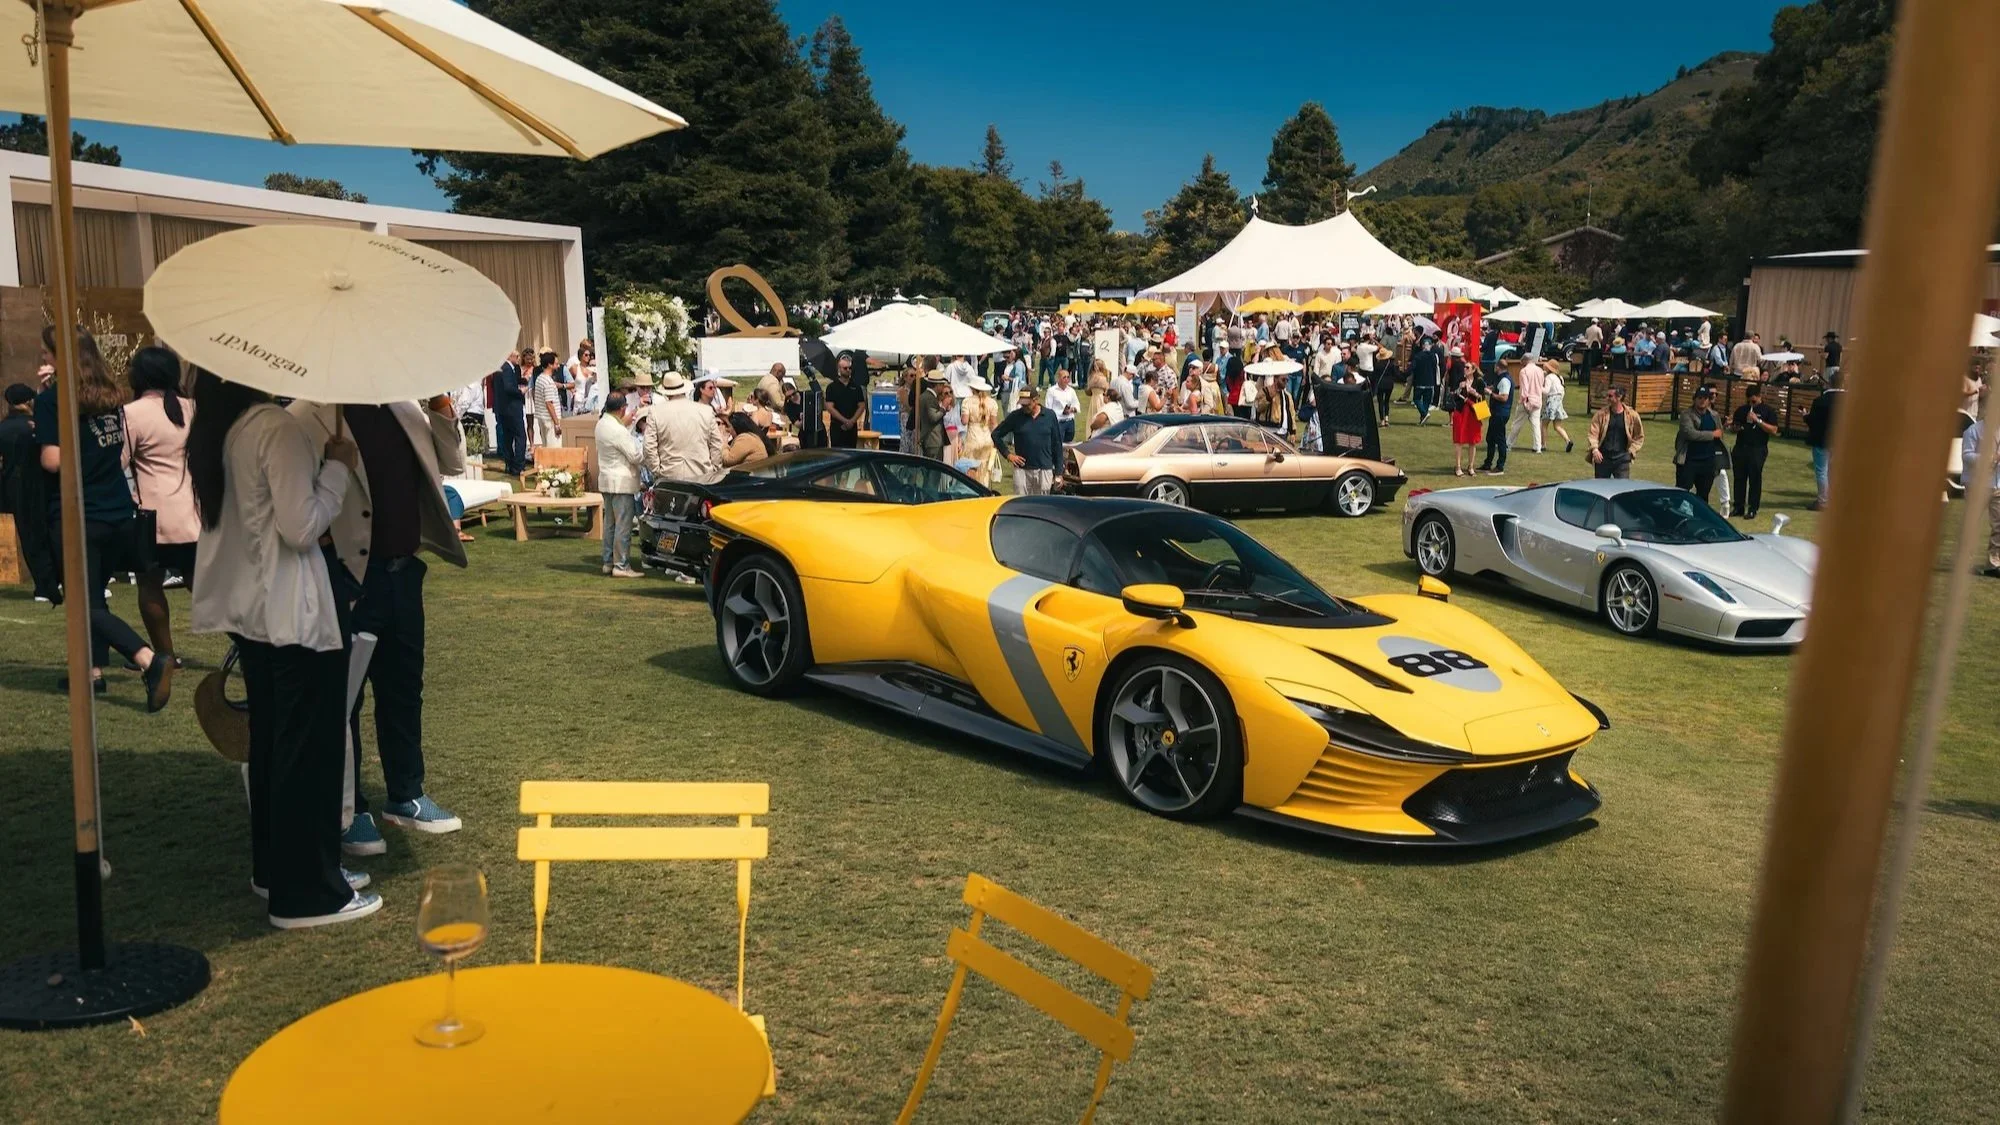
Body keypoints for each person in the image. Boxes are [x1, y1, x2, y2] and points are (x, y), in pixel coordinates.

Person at [187, 370, 379, 929]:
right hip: (293, 611)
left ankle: (279, 869)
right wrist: (338, 466)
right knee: (307, 749)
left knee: (274, 744)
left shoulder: (221, 429)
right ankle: (307, 892)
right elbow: (303, 526)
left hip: (253, 613)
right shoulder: (274, 427)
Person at [291, 388, 467, 851]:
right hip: (348, 577)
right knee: (344, 697)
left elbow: (452, 464)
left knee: (404, 687)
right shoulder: (308, 414)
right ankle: (349, 808)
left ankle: (406, 792)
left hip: (403, 571)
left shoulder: (406, 406)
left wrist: (442, 408)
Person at [33, 326, 169, 705]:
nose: (42, 358)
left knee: (80, 601)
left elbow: (53, 459)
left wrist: (42, 423)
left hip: (79, 513)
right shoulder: (111, 396)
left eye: (46, 352)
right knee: (94, 594)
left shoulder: (53, 401)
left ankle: (147, 658)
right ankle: (91, 674)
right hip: (117, 511)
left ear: (62, 356)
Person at [123, 346, 200, 678]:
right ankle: (248, 643)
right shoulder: (195, 409)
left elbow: (119, 463)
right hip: (197, 515)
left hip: (152, 518)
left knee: (149, 585)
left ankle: (166, 655)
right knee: (205, 587)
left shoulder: (131, 413)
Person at [1, 381, 59, 602]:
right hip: (45, 482)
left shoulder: (3, 428)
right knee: (52, 530)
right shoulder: (38, 425)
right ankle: (58, 578)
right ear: (28, 401)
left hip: (15, 487)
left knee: (29, 536)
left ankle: (43, 585)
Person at [595, 390, 645, 578]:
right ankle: (621, 565)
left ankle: (608, 562)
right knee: (623, 525)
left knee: (610, 524)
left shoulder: (602, 423)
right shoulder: (617, 430)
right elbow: (635, 455)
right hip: (621, 481)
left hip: (608, 479)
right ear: (623, 409)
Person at [993, 387, 1065, 496]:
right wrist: (1008, 455)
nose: (1024, 407)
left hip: (1044, 469)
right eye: (1022, 404)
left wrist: (1059, 473)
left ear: (1036, 400)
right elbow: (996, 434)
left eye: (1027, 404)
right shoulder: (1016, 416)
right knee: (1021, 505)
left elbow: (1057, 445)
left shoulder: (1050, 416)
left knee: (1042, 506)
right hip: (1022, 470)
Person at [1730, 382, 1779, 519]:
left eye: (1753, 400)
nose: (1751, 403)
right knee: (1739, 478)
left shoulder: (1768, 411)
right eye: (1748, 401)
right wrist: (1735, 427)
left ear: (1759, 396)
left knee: (1755, 478)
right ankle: (1738, 506)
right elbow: (1735, 428)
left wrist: (1758, 421)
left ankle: (1753, 508)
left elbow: (1774, 430)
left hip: (1757, 448)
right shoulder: (1742, 410)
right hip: (1741, 447)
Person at [1673, 386, 1727, 503]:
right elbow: (1690, 434)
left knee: (1703, 495)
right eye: (1700, 398)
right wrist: (1712, 435)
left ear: (1709, 400)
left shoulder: (1714, 415)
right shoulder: (1686, 414)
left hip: (1708, 462)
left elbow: (1720, 433)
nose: (1702, 400)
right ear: (1694, 399)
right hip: (1689, 460)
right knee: (1682, 492)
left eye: (1705, 398)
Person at [1963, 410, 2000, 578]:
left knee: (1998, 526)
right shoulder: (1973, 431)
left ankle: (1994, 563)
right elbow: (1967, 456)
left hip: (1998, 486)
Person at [1804, 368, 1843, 510]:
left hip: (1822, 440)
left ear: (1830, 383)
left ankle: (1823, 501)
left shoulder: (1820, 401)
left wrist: (1805, 416)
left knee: (1822, 471)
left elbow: (1813, 421)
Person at [1588, 385, 1645, 479]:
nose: (1607, 398)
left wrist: (1631, 452)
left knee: (1622, 489)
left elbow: (1639, 437)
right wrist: (1595, 449)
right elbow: (1593, 434)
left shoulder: (1632, 415)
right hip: (1603, 458)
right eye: (1607, 395)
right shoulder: (1600, 415)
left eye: (1610, 396)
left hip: (1622, 459)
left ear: (1619, 397)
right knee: (1600, 489)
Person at [488, 350, 528, 475]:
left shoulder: (500, 369)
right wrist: (520, 391)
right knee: (520, 436)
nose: (518, 359)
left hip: (503, 409)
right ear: (511, 356)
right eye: (517, 356)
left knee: (508, 438)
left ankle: (510, 464)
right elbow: (508, 387)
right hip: (512, 408)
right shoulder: (506, 368)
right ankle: (518, 465)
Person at [1448, 356, 1484, 477]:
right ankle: (1458, 466)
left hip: (1473, 413)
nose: (1465, 369)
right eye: (1465, 367)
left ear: (1473, 370)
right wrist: (1460, 388)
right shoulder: (1460, 379)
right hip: (1461, 412)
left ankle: (1471, 466)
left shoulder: (1479, 382)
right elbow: (1452, 394)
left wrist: (1474, 393)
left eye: (1468, 367)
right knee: (1459, 440)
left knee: (1472, 441)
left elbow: (1482, 398)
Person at [961, 376, 1001, 486]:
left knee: (971, 467)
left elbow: (964, 421)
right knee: (984, 469)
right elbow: (993, 424)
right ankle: (984, 487)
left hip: (972, 437)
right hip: (987, 437)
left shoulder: (967, 402)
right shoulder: (992, 403)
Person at [825, 354, 866, 448]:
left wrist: (852, 421)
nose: (848, 370)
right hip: (837, 426)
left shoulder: (856, 387)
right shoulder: (832, 387)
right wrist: (844, 421)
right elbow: (830, 407)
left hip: (852, 426)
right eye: (845, 368)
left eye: (850, 368)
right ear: (839, 369)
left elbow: (861, 405)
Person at [1480, 364, 1512, 475]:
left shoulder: (1504, 380)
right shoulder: (1501, 379)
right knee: (1490, 438)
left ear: (1498, 367)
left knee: (1500, 440)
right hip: (1497, 413)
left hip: (1500, 413)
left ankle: (1500, 466)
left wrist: (1491, 394)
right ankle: (1488, 463)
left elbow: (1504, 397)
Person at [1509, 356, 1544, 453]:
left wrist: (1523, 401)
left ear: (1525, 360)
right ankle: (1537, 447)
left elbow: (1524, 388)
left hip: (1527, 400)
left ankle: (1509, 444)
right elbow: (1541, 386)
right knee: (1536, 425)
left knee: (1517, 423)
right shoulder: (1540, 370)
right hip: (1537, 400)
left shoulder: (1524, 371)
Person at [1541, 360, 1575, 454]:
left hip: (1551, 401)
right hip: (1559, 402)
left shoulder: (1549, 377)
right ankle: (1568, 440)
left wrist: (1538, 387)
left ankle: (1543, 445)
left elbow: (1546, 391)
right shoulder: (1559, 378)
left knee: (1544, 424)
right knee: (1557, 426)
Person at [530, 352, 562, 448]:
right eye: (556, 363)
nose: (558, 365)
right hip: (550, 420)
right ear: (550, 365)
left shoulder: (539, 378)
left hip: (542, 418)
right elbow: (549, 403)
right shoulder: (548, 381)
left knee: (546, 446)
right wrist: (556, 423)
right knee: (554, 449)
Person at [568, 339, 604, 416]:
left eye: (589, 355)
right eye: (586, 355)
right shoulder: (574, 367)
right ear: (581, 356)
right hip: (578, 399)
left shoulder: (592, 368)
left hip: (590, 400)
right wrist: (572, 390)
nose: (588, 357)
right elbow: (567, 379)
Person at [1410, 336, 1441, 424]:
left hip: (1419, 381)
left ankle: (1424, 413)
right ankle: (1423, 418)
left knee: (1416, 399)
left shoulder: (1418, 356)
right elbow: (1435, 367)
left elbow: (1412, 367)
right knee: (1426, 402)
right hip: (1430, 382)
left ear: (1423, 346)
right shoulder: (1433, 356)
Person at [1045, 368, 1080, 438]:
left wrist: (1072, 410)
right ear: (1058, 378)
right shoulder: (1051, 391)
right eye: (1064, 377)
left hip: (1070, 422)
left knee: (1068, 445)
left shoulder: (1071, 391)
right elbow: (1048, 409)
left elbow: (1077, 404)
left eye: (1068, 377)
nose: (1066, 379)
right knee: (1058, 445)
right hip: (1058, 423)